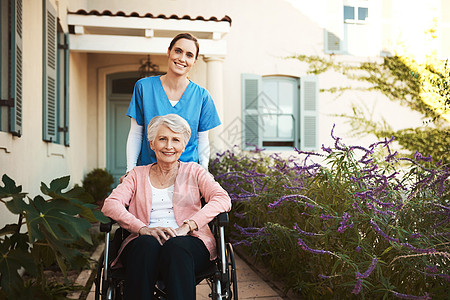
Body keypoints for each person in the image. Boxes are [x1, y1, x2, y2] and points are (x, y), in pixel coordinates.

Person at [101, 114, 231, 300]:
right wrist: (142, 229)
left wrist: (188, 226)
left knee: (176, 247)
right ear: (152, 144)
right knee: (146, 245)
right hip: (143, 241)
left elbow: (222, 199)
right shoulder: (137, 175)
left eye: (176, 140)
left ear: (184, 145)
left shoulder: (195, 171)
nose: (169, 146)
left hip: (189, 241)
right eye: (162, 139)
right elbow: (110, 205)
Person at [124, 32, 221, 180]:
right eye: (178, 51)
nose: (182, 58)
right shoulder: (144, 87)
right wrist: (130, 170)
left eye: (189, 55)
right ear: (169, 52)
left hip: (187, 176)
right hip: (148, 173)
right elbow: (136, 133)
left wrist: (204, 172)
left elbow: (202, 140)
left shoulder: (202, 96)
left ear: (194, 61)